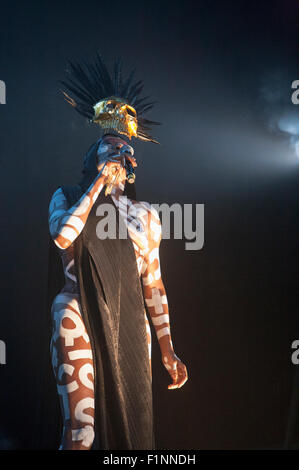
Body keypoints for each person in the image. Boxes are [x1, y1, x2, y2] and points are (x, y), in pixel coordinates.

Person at [47, 53, 188, 450]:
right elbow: (63, 236)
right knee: (82, 432)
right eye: (107, 146)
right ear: (92, 157)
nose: (116, 152)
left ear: (132, 162)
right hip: (77, 309)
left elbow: (154, 284)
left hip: (128, 321)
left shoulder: (146, 217)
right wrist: (97, 186)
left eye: (121, 148)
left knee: (133, 432)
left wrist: (168, 350)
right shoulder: (68, 196)